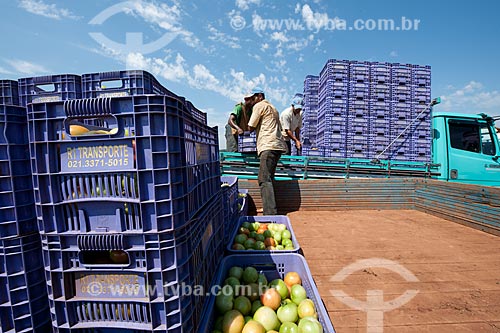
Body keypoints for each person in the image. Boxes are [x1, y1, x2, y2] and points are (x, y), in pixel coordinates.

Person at [247, 88, 287, 215]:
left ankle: (270, 213)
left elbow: (250, 126)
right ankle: (269, 208)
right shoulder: (273, 108)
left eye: (253, 98)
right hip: (277, 146)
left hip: (268, 145)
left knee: (263, 179)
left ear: (259, 96)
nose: (252, 101)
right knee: (269, 178)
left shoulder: (260, 106)